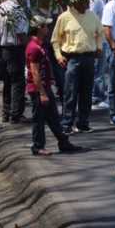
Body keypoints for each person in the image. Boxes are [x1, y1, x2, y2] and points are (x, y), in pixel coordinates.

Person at [27, 14, 82, 156]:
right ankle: (38, 146)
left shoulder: (41, 45)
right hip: (38, 89)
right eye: (45, 26)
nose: (48, 28)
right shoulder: (34, 48)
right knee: (39, 119)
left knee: (53, 117)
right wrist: (42, 93)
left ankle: (63, 142)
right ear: (39, 28)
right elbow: (35, 72)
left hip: (45, 87)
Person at [52, 0, 102, 134]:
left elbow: (99, 33)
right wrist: (59, 56)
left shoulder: (92, 15)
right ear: (75, 3)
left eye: (87, 1)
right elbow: (55, 40)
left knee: (86, 92)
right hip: (71, 59)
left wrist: (99, 47)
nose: (86, 4)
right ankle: (67, 123)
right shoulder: (64, 17)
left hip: (89, 58)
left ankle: (83, 123)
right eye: (84, 1)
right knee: (70, 92)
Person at [0, 0, 29, 123]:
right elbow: (21, 33)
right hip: (16, 48)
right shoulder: (17, 10)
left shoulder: (2, 7)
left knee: (7, 81)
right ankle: (16, 114)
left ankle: (6, 112)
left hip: (4, 48)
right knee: (18, 82)